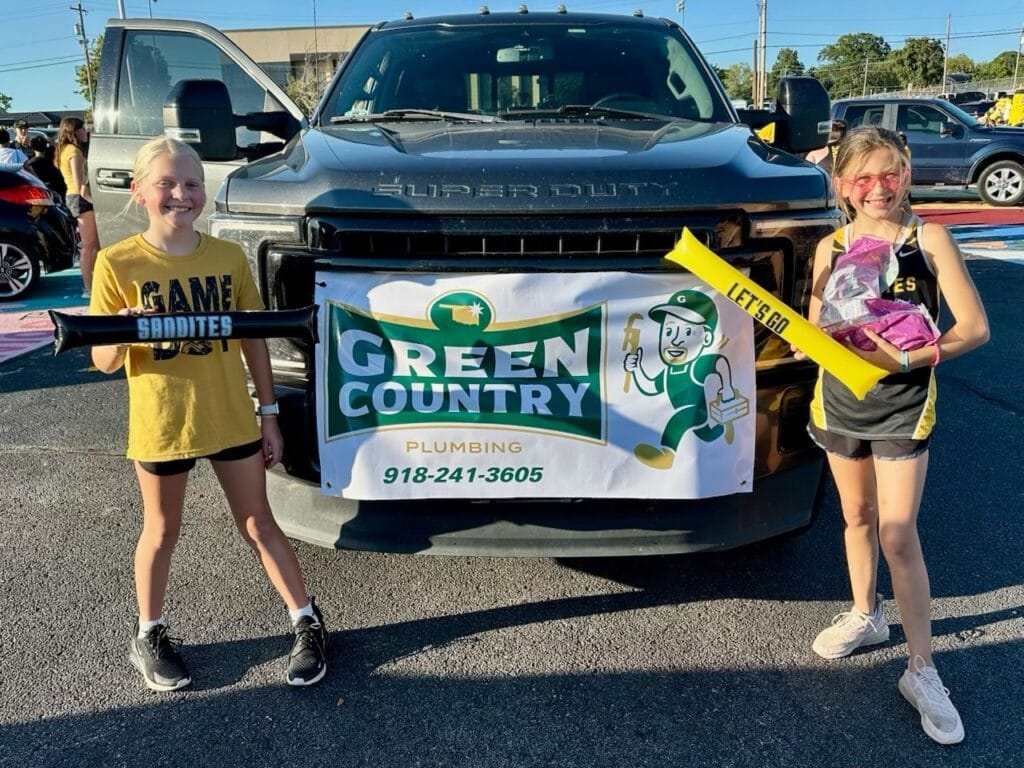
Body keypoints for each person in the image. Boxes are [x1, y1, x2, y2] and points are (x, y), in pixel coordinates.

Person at [89, 137, 328, 692]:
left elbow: (254, 342)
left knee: (258, 524)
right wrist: (125, 326)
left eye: (192, 183)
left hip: (229, 417)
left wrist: (269, 414)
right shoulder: (116, 262)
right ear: (139, 191)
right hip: (162, 422)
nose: (181, 193)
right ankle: (148, 632)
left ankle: (307, 621)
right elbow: (102, 360)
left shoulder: (225, 257)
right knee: (162, 530)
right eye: (167, 183)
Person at [802, 126, 989, 745]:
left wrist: (905, 360)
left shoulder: (926, 238)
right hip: (838, 403)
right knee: (855, 517)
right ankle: (865, 614)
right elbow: (812, 326)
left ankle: (923, 670)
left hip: (904, 405)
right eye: (863, 178)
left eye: (890, 175)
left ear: (906, 175)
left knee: (898, 532)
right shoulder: (831, 246)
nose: (877, 188)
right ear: (843, 187)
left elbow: (974, 330)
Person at [55, 116, 100, 298]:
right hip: (81, 198)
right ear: (75, 131)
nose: (86, 132)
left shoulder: (63, 150)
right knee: (90, 245)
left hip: (73, 197)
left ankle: (92, 284)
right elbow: (80, 184)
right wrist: (97, 202)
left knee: (92, 244)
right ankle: (88, 288)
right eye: (83, 128)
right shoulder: (74, 152)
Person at [24, 135, 67, 199]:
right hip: (62, 189)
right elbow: (54, 147)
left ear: (32, 147)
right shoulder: (53, 154)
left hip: (46, 193)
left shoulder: (32, 163)